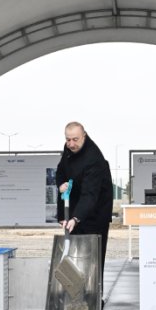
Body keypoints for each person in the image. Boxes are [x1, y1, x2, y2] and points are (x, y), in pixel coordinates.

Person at [55, 121, 114, 287]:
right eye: (68, 140)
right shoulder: (69, 148)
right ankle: (75, 293)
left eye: (75, 139)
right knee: (74, 257)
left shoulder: (93, 159)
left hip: (95, 214)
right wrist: (61, 186)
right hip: (76, 210)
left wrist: (75, 217)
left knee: (93, 258)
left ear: (84, 136)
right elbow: (61, 171)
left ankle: (95, 295)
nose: (71, 144)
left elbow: (90, 195)